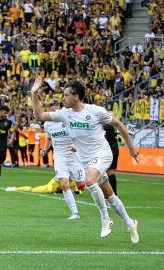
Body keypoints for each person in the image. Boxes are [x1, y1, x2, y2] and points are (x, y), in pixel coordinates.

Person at [31, 76, 140, 243]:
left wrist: (131, 147)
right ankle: (130, 223)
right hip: (86, 159)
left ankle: (105, 219)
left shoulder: (95, 111)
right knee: (109, 194)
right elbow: (39, 115)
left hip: (103, 153)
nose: (63, 98)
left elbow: (119, 124)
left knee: (89, 181)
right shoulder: (64, 114)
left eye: (66, 95)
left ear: (76, 96)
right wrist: (33, 93)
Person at [41, 99, 86, 220]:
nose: (49, 109)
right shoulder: (47, 124)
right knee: (64, 184)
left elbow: (79, 132)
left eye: (51, 106)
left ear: (57, 106)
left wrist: (77, 146)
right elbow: (49, 139)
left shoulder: (67, 117)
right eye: (48, 107)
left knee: (81, 185)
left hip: (73, 155)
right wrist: (45, 150)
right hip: (59, 156)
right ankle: (75, 213)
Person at [6, 176, 80, 194]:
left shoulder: (73, 181)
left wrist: (78, 191)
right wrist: (50, 191)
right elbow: (50, 184)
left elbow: (78, 188)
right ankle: (15, 188)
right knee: (33, 190)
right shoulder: (59, 177)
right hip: (46, 188)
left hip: (57, 191)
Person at [104, 124, 119, 195]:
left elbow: (104, 138)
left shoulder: (106, 126)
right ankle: (110, 192)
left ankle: (113, 193)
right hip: (113, 148)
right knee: (108, 171)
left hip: (110, 149)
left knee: (110, 171)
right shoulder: (110, 124)